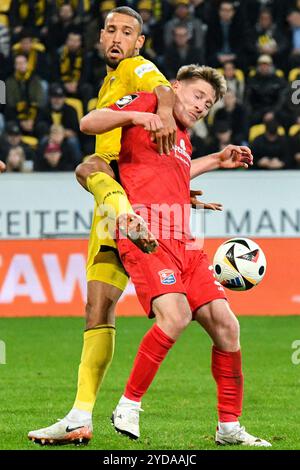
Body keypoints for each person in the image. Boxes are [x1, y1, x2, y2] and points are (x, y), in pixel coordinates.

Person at [84, 64, 271, 447]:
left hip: (185, 242)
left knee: (227, 326)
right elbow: (90, 122)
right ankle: (128, 405)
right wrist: (140, 114)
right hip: (146, 236)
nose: (203, 106)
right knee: (177, 315)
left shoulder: (182, 139)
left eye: (210, 103)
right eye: (198, 95)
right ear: (176, 87)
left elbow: (175, 177)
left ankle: (229, 428)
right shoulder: (151, 104)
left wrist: (218, 160)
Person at [28, 5, 177, 446]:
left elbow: (162, 87)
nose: (116, 37)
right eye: (110, 29)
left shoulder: (136, 66)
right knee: (97, 310)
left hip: (122, 190)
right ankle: (79, 419)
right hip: (109, 211)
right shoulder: (108, 83)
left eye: (126, 31)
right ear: (99, 37)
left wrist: (163, 112)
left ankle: (229, 421)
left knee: (88, 162)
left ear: (139, 42)